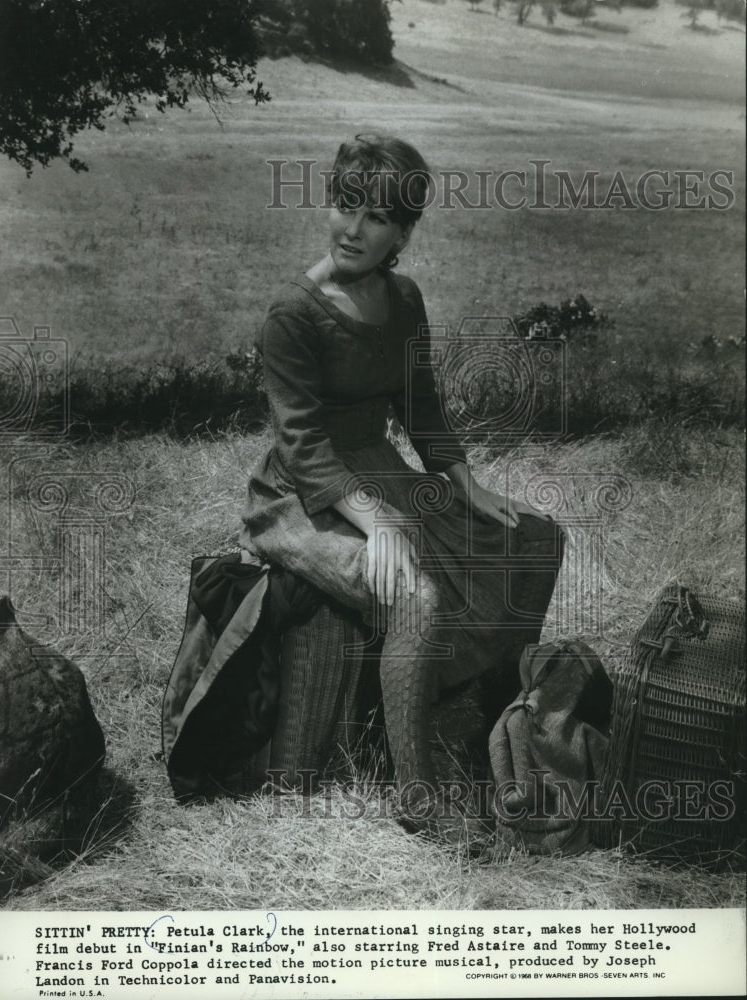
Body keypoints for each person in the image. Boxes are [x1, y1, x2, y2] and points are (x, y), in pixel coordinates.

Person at [242, 134, 563, 835]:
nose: (352, 229)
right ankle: (415, 794)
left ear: (404, 233)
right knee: (412, 594)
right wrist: (378, 520)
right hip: (300, 493)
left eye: (377, 217)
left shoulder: (403, 298)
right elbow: (301, 444)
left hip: (380, 470)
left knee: (536, 537)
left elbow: (420, 406)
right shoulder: (292, 313)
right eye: (344, 205)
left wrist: (466, 485)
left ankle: (495, 717)